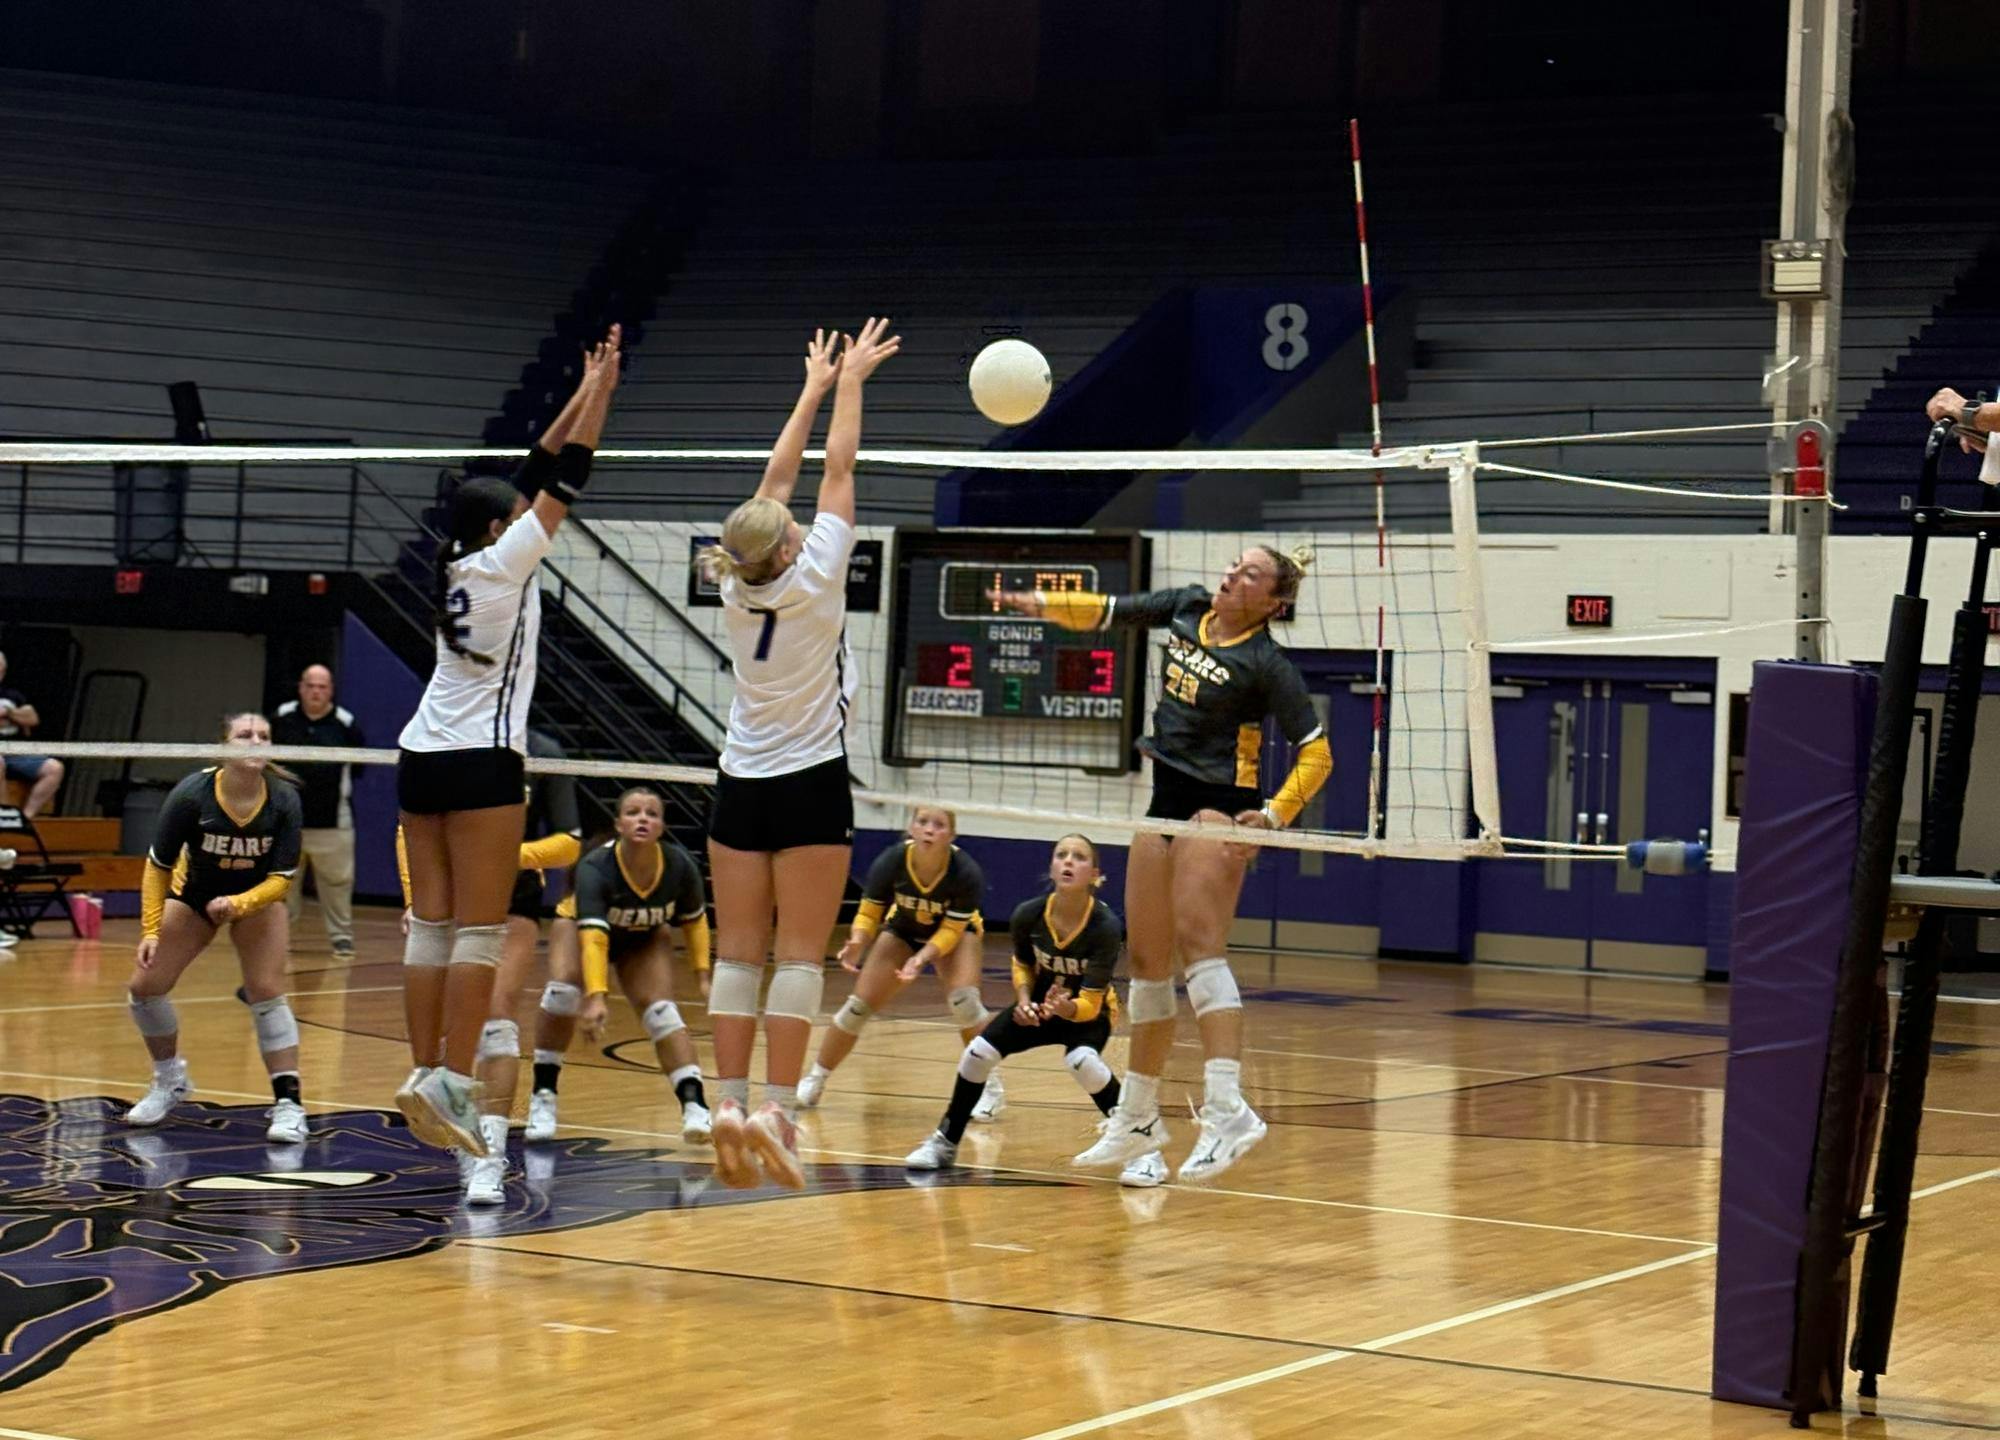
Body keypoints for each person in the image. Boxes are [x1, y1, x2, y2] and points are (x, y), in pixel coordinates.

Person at [994, 548, 1332, 1184]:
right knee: (1147, 969)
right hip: (1163, 802)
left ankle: (1229, 1109)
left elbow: (1317, 755)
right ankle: (1139, 1116)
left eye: (1251, 575)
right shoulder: (1187, 607)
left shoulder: (1267, 664)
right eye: (1236, 566)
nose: (1233, 576)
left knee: (1201, 951)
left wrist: (1272, 816)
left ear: (1274, 603)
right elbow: (1107, 611)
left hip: (1217, 808)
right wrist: (1038, 605)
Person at [394, 324, 620, 1155]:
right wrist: (606, 396)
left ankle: (425, 1070)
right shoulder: (506, 563)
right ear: (501, 530)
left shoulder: (452, 562)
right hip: (482, 763)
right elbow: (567, 477)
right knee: (481, 934)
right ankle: (454, 1080)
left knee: (430, 926)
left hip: (420, 754)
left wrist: (580, 387)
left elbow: (529, 470)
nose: (526, 516)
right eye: (515, 517)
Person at [697, 318, 897, 1190]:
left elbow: (775, 485)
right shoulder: (815, 570)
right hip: (809, 783)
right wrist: (850, 380)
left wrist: (810, 385)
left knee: (738, 954)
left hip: (739, 782)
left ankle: (729, 1101)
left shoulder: (737, 584)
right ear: (783, 545)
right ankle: (777, 1107)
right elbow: (837, 470)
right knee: (798, 957)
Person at [904, 834, 1160, 1183]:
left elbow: (1090, 1003)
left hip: (1087, 1014)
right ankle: (945, 1142)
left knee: (1082, 1062)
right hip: (1040, 1004)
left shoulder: (1106, 928)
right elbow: (1022, 965)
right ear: (1052, 868)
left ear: (1095, 874)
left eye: (1079, 857)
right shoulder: (1028, 914)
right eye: (1062, 855)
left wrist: (1065, 1007)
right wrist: (1024, 1002)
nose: (1069, 861)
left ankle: (1146, 1155)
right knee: (977, 1054)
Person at [397, 729, 583, 1203]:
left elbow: (570, 843)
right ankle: (452, 1115)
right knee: (443, 1028)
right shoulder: (441, 736)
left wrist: (502, 855)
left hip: (510, 902)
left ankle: (487, 1155)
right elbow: (409, 830)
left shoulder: (544, 751)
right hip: (444, 907)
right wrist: (414, 899)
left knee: (496, 1015)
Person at [124, 712, 309, 1143]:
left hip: (257, 900)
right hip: (194, 899)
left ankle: (289, 1104)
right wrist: (151, 930)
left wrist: (240, 903)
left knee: (265, 990)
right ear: (223, 746)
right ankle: (170, 1079)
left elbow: (283, 877)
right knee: (145, 986)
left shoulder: (284, 799)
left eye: (264, 736)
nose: (256, 742)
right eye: (245, 735)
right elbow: (157, 867)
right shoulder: (192, 794)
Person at [520, 787, 712, 1164]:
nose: (643, 819)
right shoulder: (595, 867)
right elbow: (593, 939)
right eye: (634, 812)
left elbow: (695, 922)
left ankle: (696, 1105)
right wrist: (596, 997)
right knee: (562, 994)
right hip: (581, 929)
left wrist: (703, 975)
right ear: (619, 824)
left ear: (662, 827)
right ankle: (544, 1095)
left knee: (661, 1012)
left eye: (652, 814)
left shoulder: (679, 866)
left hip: (643, 938)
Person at [798, 806, 999, 1115]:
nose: (929, 829)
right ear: (912, 828)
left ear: (952, 835)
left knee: (965, 1003)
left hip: (956, 934)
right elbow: (869, 912)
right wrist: (857, 941)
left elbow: (950, 930)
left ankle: (990, 1088)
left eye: (939, 824)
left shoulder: (965, 872)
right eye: (922, 822)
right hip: (904, 928)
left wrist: (921, 959)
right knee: (857, 1008)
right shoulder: (892, 860)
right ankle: (816, 1078)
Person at [273, 664, 365, 960]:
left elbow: (358, 769)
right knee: (282, 885)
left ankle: (341, 938)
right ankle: (278, 939)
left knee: (337, 885)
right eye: (310, 685)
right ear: (301, 687)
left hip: (333, 824)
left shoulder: (346, 724)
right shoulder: (281, 718)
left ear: (331, 691)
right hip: (287, 823)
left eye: (322, 687)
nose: (316, 691)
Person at [0, 650, 65, 820]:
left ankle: (24, 819)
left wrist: (7, 712)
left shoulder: (13, 695)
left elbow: (32, 718)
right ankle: (5, 814)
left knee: (55, 768)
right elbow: (24, 716)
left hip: (16, 751)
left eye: (1, 670)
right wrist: (17, 715)